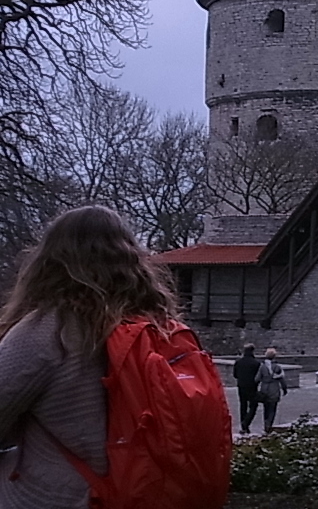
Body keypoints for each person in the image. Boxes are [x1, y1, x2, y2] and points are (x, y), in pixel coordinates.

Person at [0, 205, 184, 509]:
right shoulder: (161, 327)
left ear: (50, 260)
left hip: (55, 497)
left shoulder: (49, 330)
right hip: (142, 491)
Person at [255, 347, 288, 432]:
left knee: (266, 408)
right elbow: (282, 380)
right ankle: (269, 424)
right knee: (272, 409)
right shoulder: (277, 367)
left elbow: (257, 379)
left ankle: (265, 423)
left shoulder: (263, 367)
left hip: (264, 389)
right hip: (274, 389)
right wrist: (284, 389)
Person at [232, 343, 260, 435]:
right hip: (252, 387)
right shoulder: (256, 363)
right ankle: (246, 422)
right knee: (253, 406)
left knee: (243, 405)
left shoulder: (238, 362)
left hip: (241, 385)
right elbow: (258, 377)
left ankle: (243, 425)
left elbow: (235, 375)